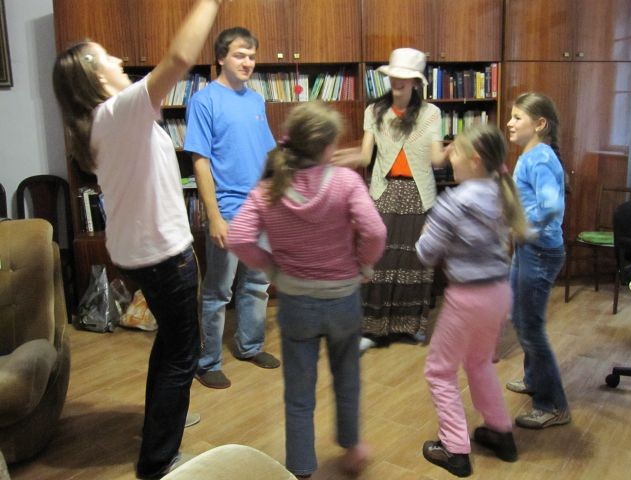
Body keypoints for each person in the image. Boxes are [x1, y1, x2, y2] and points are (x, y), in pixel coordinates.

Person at [51, 1, 225, 478]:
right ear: (93, 73)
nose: (119, 60)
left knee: (170, 345)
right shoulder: (118, 111)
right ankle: (159, 459)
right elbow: (179, 59)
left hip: (138, 255)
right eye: (107, 55)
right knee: (181, 354)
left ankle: (162, 423)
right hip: (164, 258)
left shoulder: (102, 122)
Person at [226, 102, 387, 479]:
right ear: (328, 147)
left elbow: (238, 238)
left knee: (298, 392)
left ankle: (300, 467)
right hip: (343, 301)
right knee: (347, 377)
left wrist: (272, 268)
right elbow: (375, 232)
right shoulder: (346, 182)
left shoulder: (269, 188)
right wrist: (364, 264)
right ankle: (351, 447)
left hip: (297, 304)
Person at [415, 124, 527, 477]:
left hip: (467, 298)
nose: (449, 156)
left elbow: (426, 253)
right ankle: (500, 433)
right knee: (479, 363)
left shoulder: (454, 201)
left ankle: (454, 449)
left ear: (475, 160)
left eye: (456, 151)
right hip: (499, 293)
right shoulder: (502, 193)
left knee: (439, 370)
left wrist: (425, 233)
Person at [183, 26, 280, 390]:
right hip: (229, 209)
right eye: (240, 55)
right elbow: (200, 162)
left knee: (257, 284)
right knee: (218, 291)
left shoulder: (256, 100)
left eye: (252, 56)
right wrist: (214, 217)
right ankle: (207, 361)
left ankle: (249, 346)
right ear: (221, 57)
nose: (247, 62)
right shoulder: (204, 101)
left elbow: (268, 153)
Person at [332, 48, 445, 351]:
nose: (398, 81)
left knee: (415, 262)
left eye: (405, 76)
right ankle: (371, 328)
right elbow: (366, 156)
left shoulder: (431, 114)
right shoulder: (374, 111)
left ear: (416, 81)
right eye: (395, 75)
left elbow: (436, 160)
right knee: (377, 260)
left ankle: (411, 326)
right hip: (383, 192)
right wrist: (343, 156)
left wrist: (460, 152)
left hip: (419, 194)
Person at [505, 92, 571, 429]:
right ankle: (534, 379)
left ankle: (553, 405)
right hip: (527, 249)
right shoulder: (531, 155)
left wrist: (527, 229)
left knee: (531, 327)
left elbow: (551, 206)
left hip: (540, 251)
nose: (509, 123)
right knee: (521, 318)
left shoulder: (541, 158)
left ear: (540, 124)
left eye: (518, 117)